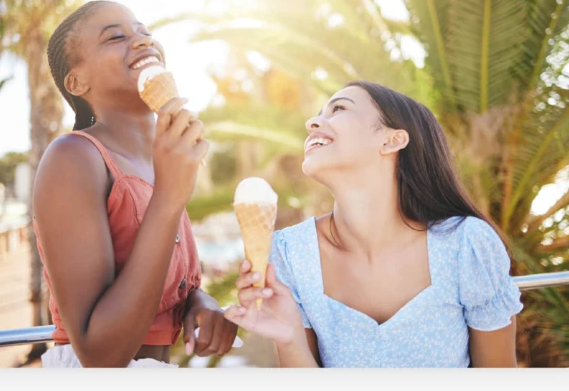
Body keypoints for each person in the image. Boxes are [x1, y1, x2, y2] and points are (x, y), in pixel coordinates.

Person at [224, 82, 524, 368]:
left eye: (338, 109)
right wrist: (289, 338)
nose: (312, 123)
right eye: (319, 114)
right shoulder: (290, 254)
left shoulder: (466, 245)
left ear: (392, 140)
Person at [33, 0, 237, 368]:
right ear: (77, 81)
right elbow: (100, 354)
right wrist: (169, 199)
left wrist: (198, 302)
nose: (143, 41)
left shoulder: (162, 166)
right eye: (116, 36)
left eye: (145, 33)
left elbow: (158, 280)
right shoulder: (73, 158)